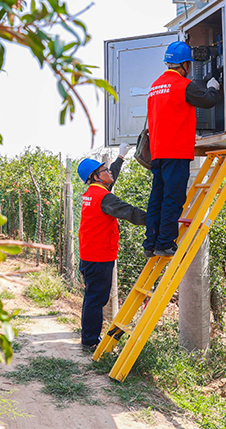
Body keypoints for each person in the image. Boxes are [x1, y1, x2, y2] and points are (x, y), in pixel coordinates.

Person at [143, 40, 220, 258]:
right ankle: (165, 243)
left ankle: (151, 243)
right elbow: (207, 101)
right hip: (176, 151)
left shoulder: (155, 86)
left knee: (157, 197)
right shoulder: (183, 85)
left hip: (158, 152)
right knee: (173, 198)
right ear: (185, 64)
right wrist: (213, 87)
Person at [76, 143, 147, 352]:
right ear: (96, 176)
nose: (108, 171)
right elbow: (131, 213)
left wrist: (121, 158)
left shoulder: (93, 192)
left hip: (91, 254)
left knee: (93, 297)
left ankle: (89, 337)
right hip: (99, 257)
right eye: (104, 170)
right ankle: (90, 341)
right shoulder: (104, 198)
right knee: (96, 299)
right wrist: (160, 220)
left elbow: (111, 177)